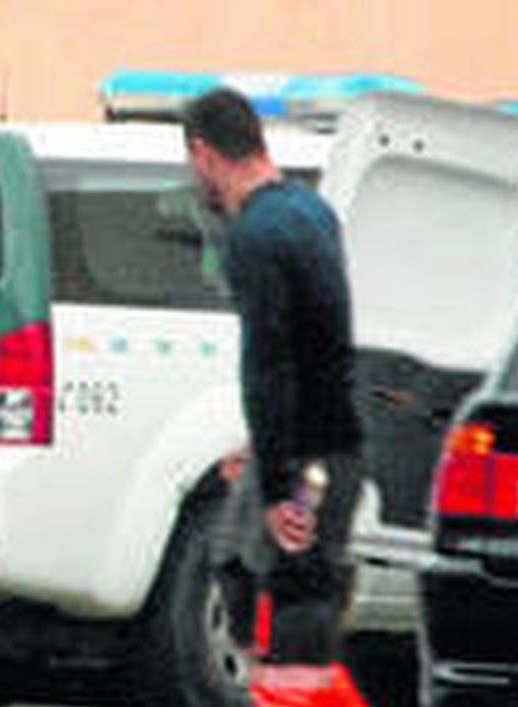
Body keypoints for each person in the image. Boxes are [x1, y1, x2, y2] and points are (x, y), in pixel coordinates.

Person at [183, 89, 366, 674]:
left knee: (295, 580)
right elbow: (315, 344)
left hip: (309, 452)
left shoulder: (254, 237)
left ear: (204, 152)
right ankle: (285, 699)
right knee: (233, 556)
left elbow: (269, 366)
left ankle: (296, 704)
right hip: (332, 441)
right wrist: (260, 451)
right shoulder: (312, 211)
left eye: (194, 165)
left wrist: (278, 489)